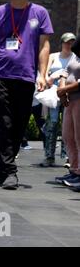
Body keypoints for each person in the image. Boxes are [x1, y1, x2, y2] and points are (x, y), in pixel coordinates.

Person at [0, 0, 53, 190]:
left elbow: (44, 46)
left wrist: (42, 74)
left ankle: (3, 167)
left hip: (26, 74)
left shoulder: (40, 13)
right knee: (4, 121)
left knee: (20, 124)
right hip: (1, 73)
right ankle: (11, 170)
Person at [40, 33, 76, 167]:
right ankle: (49, 156)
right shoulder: (53, 56)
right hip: (54, 94)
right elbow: (47, 77)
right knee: (52, 124)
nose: (69, 45)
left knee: (68, 127)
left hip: (70, 95)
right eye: (67, 42)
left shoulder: (76, 57)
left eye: (72, 42)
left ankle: (68, 157)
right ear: (62, 43)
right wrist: (55, 75)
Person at [56, 34, 80, 190]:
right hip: (70, 99)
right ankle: (74, 169)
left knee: (79, 137)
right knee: (68, 135)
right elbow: (64, 72)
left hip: (78, 99)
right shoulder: (75, 57)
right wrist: (62, 91)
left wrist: (64, 89)